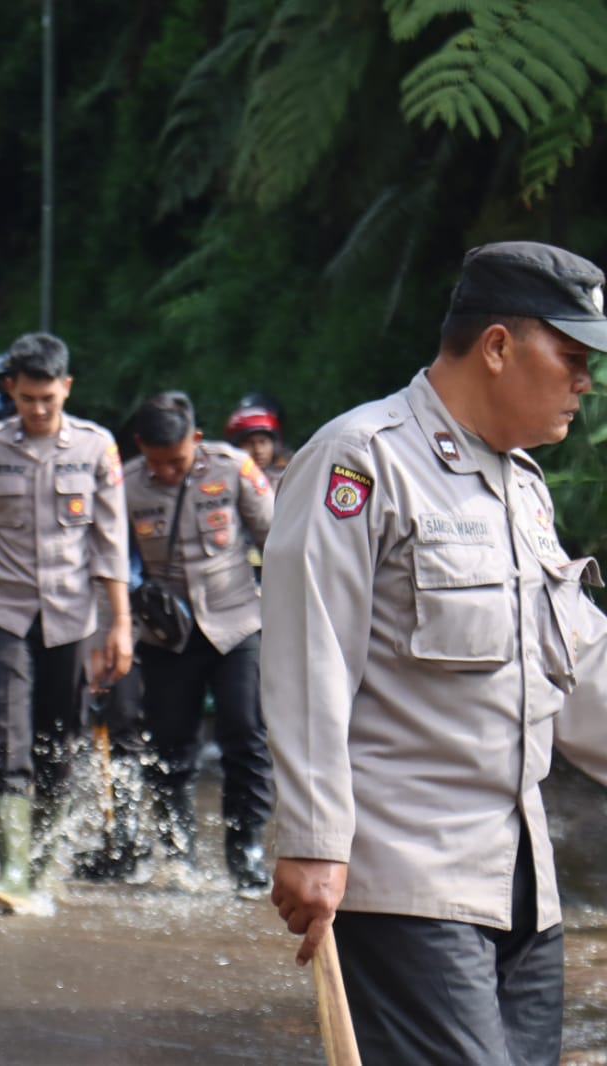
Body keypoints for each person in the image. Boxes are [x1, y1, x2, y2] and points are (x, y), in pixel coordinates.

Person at [265, 241, 607, 1064]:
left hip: (521, 888)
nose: (587, 382)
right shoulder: (363, 460)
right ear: (497, 346)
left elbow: (580, 668)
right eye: (571, 356)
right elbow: (311, 657)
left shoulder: (521, 488)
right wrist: (311, 839)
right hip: (408, 878)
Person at [0, 333, 132, 913]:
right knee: (4, 734)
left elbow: (110, 542)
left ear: (66, 387)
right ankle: (12, 868)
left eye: (48, 397)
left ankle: (41, 863)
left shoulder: (97, 448)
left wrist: (118, 624)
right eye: (27, 399)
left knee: (59, 741)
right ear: (11, 392)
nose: (39, 409)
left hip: (70, 615)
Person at [124, 391, 274, 895]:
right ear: (140, 446)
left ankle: (246, 848)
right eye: (158, 462)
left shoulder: (233, 469)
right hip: (168, 636)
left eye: (179, 461)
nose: (168, 472)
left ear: (197, 440)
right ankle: (177, 851)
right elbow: (112, 560)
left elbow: (276, 536)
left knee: (246, 732)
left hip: (236, 623)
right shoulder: (124, 485)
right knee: (170, 743)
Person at [224, 402, 288, 489]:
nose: (258, 450)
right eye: (249, 443)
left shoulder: (290, 478)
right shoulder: (223, 481)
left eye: (263, 442)